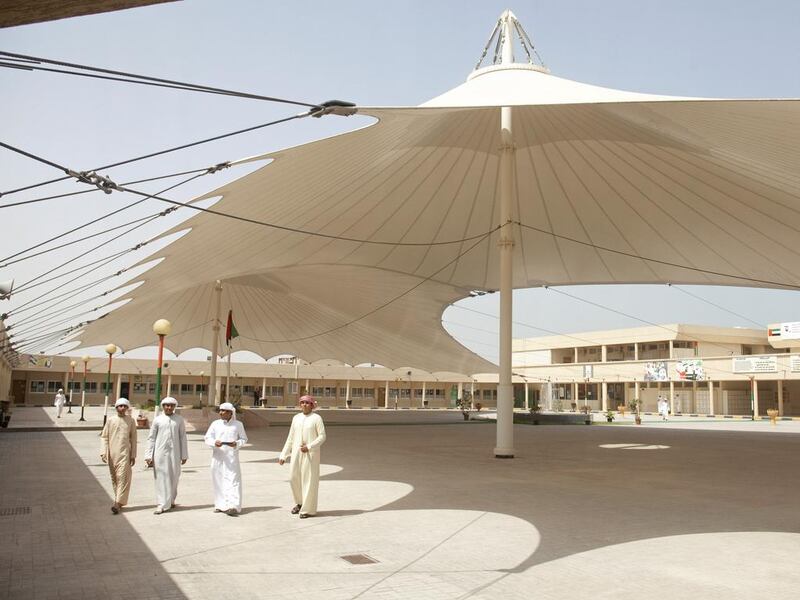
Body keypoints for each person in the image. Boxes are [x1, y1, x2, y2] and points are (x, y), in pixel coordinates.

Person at [279, 395, 327, 519]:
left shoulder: (317, 418)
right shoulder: (296, 418)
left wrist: (310, 447)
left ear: (312, 405)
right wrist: (284, 454)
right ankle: (300, 503)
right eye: (302, 402)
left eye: (307, 402)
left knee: (309, 481)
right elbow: (290, 437)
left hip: (311, 455)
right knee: (293, 478)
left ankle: (307, 509)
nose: (304, 405)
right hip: (296, 453)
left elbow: (322, 436)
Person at [144, 397, 188, 515]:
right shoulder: (158, 420)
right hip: (160, 454)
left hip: (175, 453)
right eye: (166, 405)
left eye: (171, 405)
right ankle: (161, 504)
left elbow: (182, 437)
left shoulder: (179, 419)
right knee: (161, 478)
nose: (169, 407)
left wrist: (184, 455)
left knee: (174, 477)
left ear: (174, 407)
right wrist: (148, 455)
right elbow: (151, 438)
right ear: (163, 406)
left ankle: (171, 500)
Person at [204, 402, 248, 516]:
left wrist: (236, 443)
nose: (220, 412)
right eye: (220, 410)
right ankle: (220, 505)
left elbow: (244, 439)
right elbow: (207, 437)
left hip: (231, 458)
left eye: (223, 411)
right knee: (218, 480)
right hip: (218, 456)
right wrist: (214, 442)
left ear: (230, 413)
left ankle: (234, 506)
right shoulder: (215, 424)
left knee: (233, 481)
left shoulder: (238, 424)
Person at [100, 398, 138, 514]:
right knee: (115, 478)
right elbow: (104, 437)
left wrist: (133, 455)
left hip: (125, 454)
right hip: (112, 454)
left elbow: (134, 439)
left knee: (122, 477)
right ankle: (119, 501)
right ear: (116, 408)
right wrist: (103, 452)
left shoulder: (131, 421)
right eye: (119, 406)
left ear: (127, 408)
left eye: (124, 406)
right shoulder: (111, 420)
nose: (122, 408)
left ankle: (117, 504)